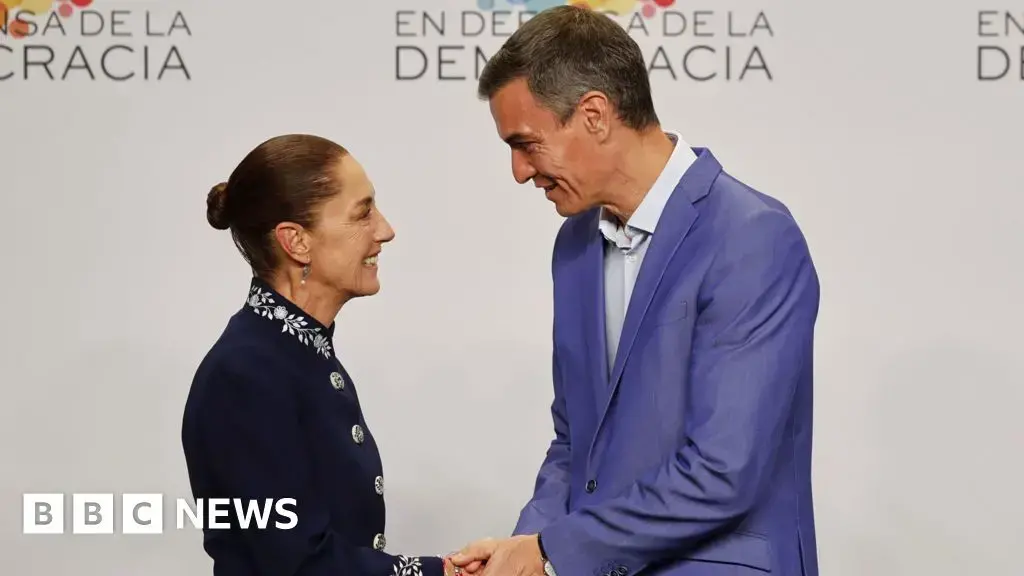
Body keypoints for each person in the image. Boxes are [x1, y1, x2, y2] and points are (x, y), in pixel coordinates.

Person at [451, 5, 820, 576]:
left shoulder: (752, 237)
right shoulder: (573, 245)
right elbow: (575, 443)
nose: (519, 172)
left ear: (595, 115)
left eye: (527, 143)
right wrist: (521, 548)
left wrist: (551, 553)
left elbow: (724, 471)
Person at [181, 134, 476, 576]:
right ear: (296, 242)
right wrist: (441, 573)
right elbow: (299, 562)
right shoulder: (244, 375)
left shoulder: (295, 355)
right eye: (363, 213)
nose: (385, 230)